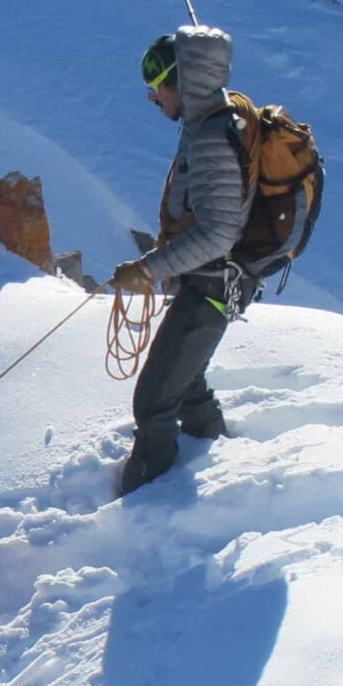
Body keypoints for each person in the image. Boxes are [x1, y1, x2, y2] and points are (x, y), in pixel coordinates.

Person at [106, 25, 249, 496]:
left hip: (210, 287)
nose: (153, 99)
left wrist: (147, 270)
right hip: (213, 284)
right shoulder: (209, 123)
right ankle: (225, 467)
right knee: (186, 383)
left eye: (156, 88)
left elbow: (218, 232)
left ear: (178, 83)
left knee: (153, 403)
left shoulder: (210, 137)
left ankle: (148, 509)